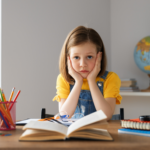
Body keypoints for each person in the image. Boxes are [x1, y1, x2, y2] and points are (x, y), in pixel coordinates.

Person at [53, 26, 122, 121]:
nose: (83, 64)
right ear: (68, 58)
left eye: (89, 57)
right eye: (76, 57)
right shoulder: (63, 79)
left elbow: (106, 115)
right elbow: (64, 116)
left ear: (99, 57)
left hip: (101, 133)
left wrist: (91, 81)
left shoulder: (110, 78)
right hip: (74, 134)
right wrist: (78, 82)